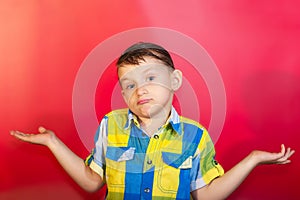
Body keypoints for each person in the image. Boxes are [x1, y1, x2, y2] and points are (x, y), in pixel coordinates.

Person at [11, 42, 295, 200]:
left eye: (150, 78)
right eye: (129, 84)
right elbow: (92, 183)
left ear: (174, 80)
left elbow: (206, 196)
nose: (140, 89)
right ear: (122, 93)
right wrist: (52, 142)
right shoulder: (110, 125)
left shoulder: (195, 136)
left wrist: (253, 159)